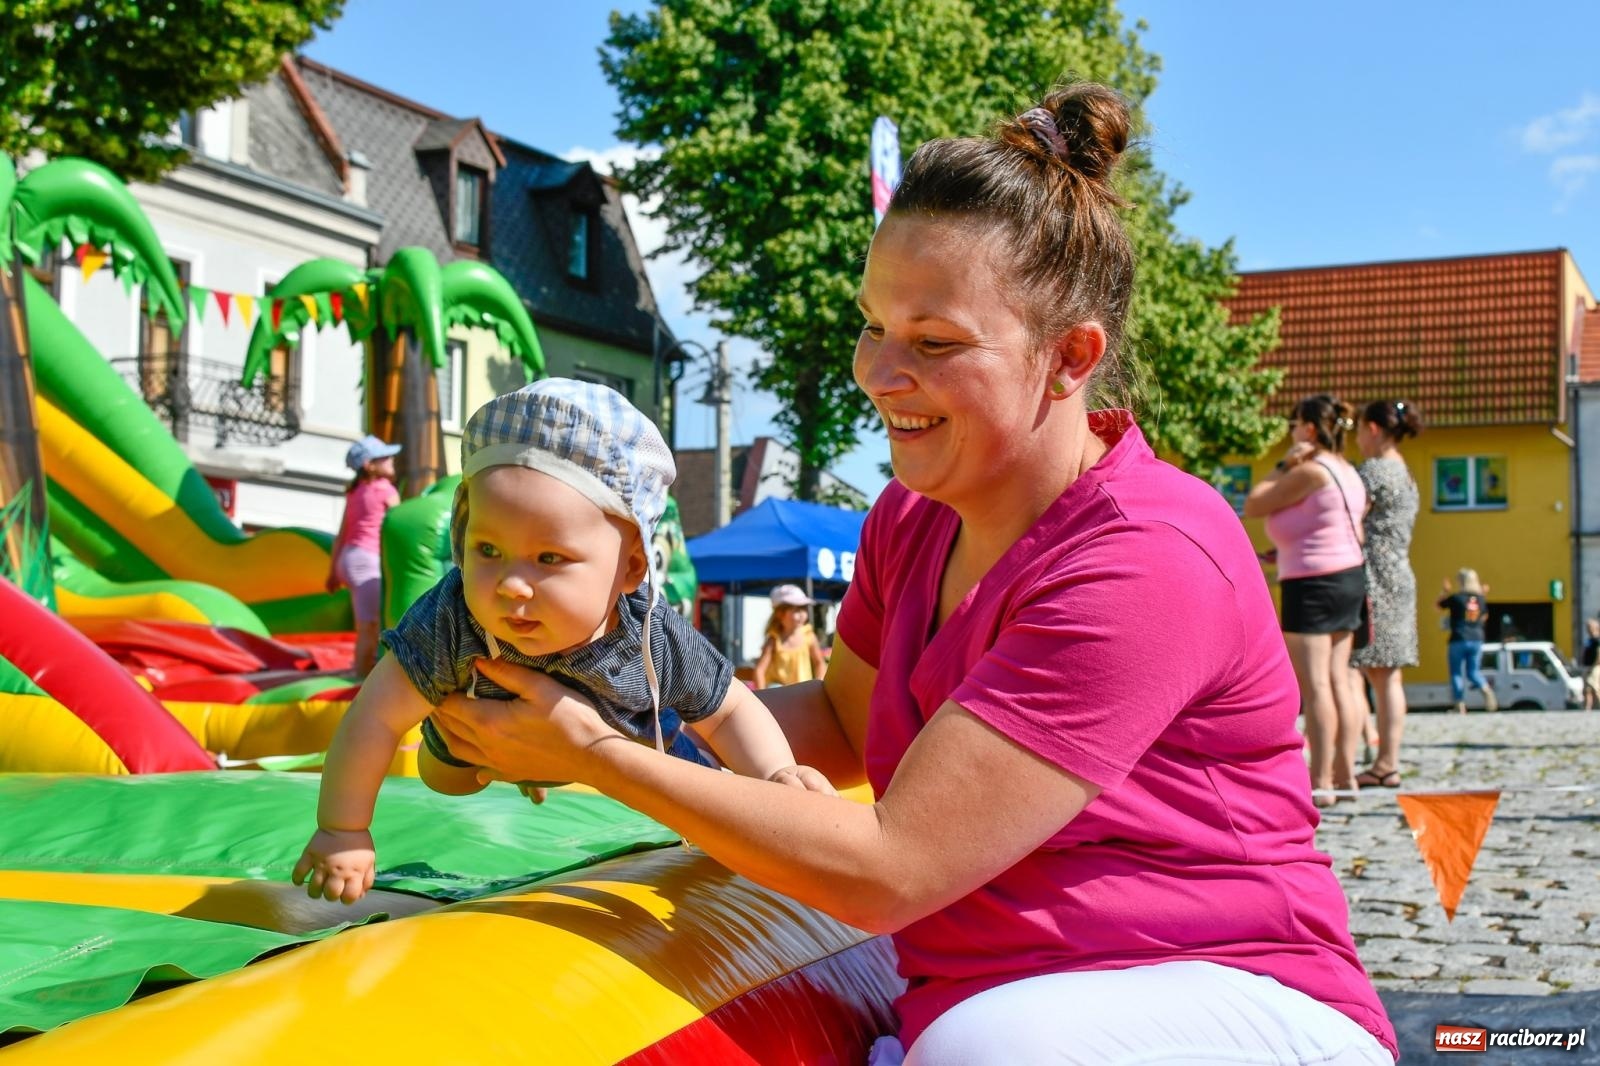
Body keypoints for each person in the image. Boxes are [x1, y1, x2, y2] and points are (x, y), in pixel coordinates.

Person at [428, 84, 1396, 1063]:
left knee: (987, 1050)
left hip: (1243, 995)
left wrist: (595, 752)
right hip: (1020, 997)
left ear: (1069, 357)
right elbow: (848, 725)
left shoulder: (1148, 554)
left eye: (932, 343)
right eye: (871, 325)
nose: (878, 373)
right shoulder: (912, 516)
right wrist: (572, 699)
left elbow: (891, 868)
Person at [292, 379, 834, 905]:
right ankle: (520, 765)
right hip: (480, 735)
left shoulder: (649, 632)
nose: (510, 584)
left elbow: (730, 705)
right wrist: (343, 829)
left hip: (631, 736)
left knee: (695, 787)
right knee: (444, 776)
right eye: (487, 550)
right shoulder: (453, 614)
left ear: (630, 569)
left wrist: (774, 775)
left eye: (549, 558)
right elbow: (374, 716)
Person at [1244, 394, 1370, 808]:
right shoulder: (1347, 471)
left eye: (1295, 424)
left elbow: (1256, 503)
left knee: (1315, 686)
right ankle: (1345, 773)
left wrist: (1285, 463)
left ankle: (1321, 782)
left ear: (1309, 430)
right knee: (1339, 680)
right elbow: (1326, 524)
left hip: (1313, 583)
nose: (1292, 431)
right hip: (1347, 577)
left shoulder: (1310, 472)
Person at [1349, 400, 1423, 789]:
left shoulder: (1373, 471)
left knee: (1372, 674)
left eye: (1360, 429)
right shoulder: (1405, 472)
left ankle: (1382, 763)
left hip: (1375, 578)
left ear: (1373, 429)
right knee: (1387, 677)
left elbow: (1344, 514)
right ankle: (1386, 760)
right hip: (1400, 574)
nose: (1357, 438)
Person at [327, 435, 402, 676]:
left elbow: (342, 534)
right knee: (370, 625)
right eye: (384, 457)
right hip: (367, 561)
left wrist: (332, 572)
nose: (391, 459)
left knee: (367, 623)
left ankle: (363, 668)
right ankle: (361, 675)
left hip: (349, 559)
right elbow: (400, 525)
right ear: (369, 465)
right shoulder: (384, 490)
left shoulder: (355, 492)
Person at [1437, 569, 1497, 714]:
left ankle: (1460, 705)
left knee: (1456, 673)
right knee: (1473, 672)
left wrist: (1444, 591)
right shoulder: (1481, 599)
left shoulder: (1456, 598)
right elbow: (1484, 617)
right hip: (1477, 638)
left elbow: (1438, 606)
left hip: (1458, 638)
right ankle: (1485, 688)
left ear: (1461, 582)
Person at [753, 584, 828, 688]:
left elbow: (820, 663)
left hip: (802, 693)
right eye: (796, 610)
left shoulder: (808, 636)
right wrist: (761, 694)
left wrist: (818, 685)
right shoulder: (774, 639)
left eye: (804, 608)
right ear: (780, 614)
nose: (802, 614)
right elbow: (760, 670)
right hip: (778, 694)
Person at [1582, 618, 1600, 711]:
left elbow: (1598, 655)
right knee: (1587, 689)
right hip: (1587, 666)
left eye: (1589, 627)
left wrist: (1593, 667)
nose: (1587, 629)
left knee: (1594, 688)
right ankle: (1588, 707)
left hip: (1595, 667)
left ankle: (1596, 706)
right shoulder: (1589, 639)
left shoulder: (1597, 640)